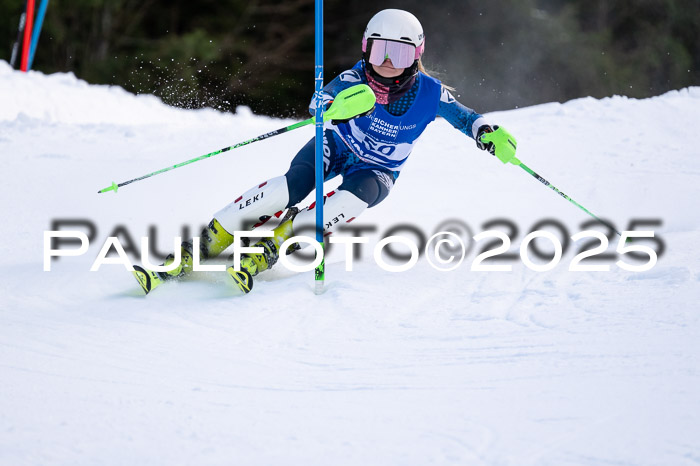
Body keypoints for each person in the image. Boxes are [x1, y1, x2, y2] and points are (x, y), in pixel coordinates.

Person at [132, 8, 517, 295]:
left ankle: (270, 247)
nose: (385, 65)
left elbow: (467, 118)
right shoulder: (352, 79)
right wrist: (329, 107)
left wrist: (487, 132)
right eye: (379, 52)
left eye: (397, 56)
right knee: (285, 190)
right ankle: (203, 244)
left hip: (376, 172)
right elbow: (319, 102)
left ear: (416, 55)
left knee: (342, 205)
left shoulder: (431, 94)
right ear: (366, 48)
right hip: (336, 146)